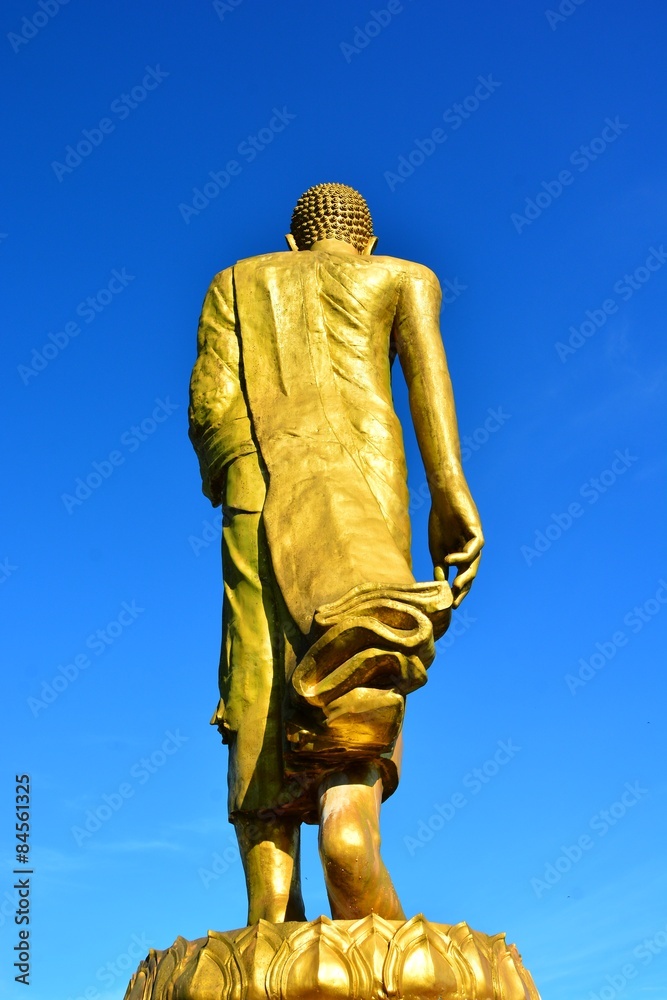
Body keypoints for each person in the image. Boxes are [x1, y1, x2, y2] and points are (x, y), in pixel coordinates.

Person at [188, 183, 483, 924]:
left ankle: (269, 912)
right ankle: (350, 831)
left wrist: (254, 476)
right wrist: (450, 493)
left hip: (260, 490)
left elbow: (208, 410)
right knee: (359, 637)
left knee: (260, 670)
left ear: (292, 243)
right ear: (367, 243)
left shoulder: (236, 281)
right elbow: (428, 388)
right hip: (365, 484)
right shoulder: (405, 278)